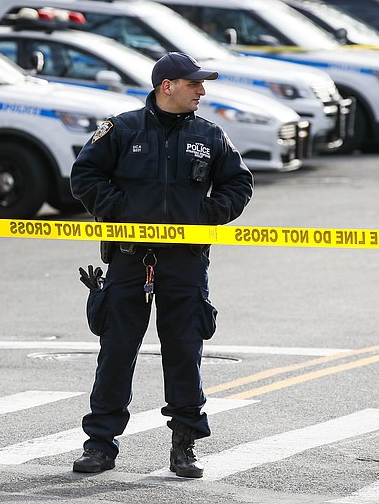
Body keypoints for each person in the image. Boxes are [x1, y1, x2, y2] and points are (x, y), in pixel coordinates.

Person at [69, 52, 253, 478]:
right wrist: (121, 213)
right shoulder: (121, 128)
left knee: (185, 352)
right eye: (194, 84)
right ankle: (100, 445)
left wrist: (207, 215)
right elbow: (85, 177)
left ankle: (184, 445)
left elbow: (238, 182)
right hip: (131, 258)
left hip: (184, 262)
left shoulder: (209, 135)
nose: (202, 91)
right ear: (166, 86)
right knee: (116, 352)